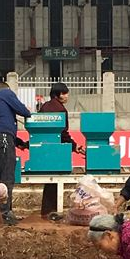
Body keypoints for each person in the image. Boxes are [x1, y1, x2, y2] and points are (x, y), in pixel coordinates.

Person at [0, 81, 31, 225]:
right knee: (7, 176)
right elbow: (24, 111)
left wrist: (16, 142)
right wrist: (28, 111)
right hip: (3, 138)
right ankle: (5, 214)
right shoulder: (5, 93)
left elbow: (0, 124)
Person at [38, 82, 86, 218]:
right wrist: (74, 146)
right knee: (56, 179)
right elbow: (63, 134)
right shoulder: (61, 110)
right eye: (64, 93)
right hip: (57, 149)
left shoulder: (44, 107)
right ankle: (52, 211)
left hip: (43, 148)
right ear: (58, 94)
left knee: (49, 180)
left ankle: (46, 210)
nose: (67, 96)